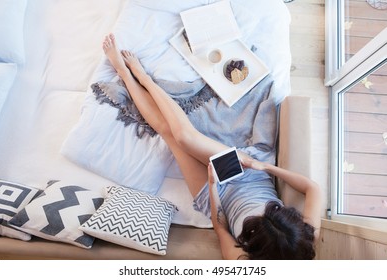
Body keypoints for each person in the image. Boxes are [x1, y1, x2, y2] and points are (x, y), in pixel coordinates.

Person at [102, 33, 321, 260]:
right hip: (251, 173)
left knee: (168, 134)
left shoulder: (242, 262)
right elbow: (313, 189)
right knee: (185, 137)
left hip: (218, 198)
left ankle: (125, 74)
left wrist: (213, 186)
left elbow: (221, 228)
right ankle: (143, 77)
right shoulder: (304, 239)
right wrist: (264, 167)